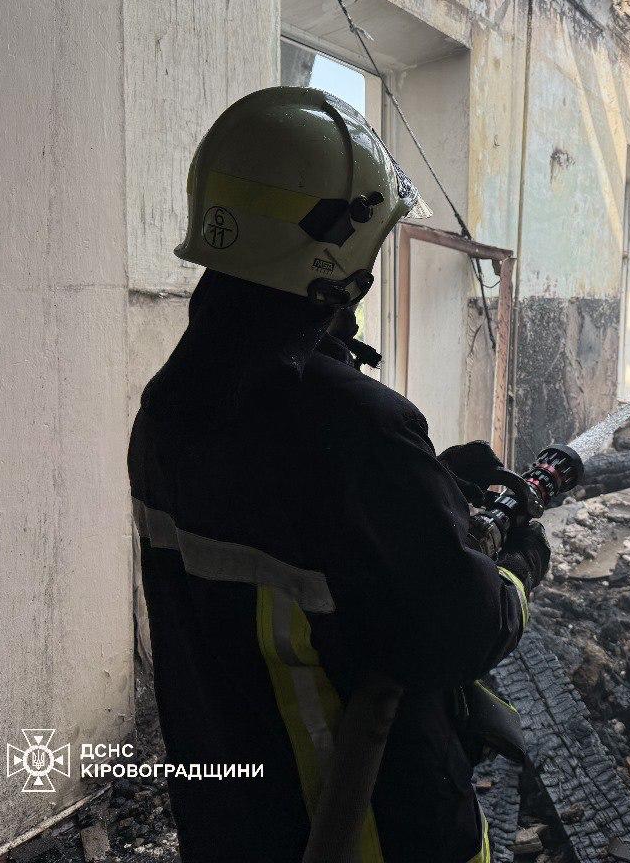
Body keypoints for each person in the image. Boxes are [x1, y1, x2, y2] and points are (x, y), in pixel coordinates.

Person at [129, 86, 549, 863]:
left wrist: (427, 493)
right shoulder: (356, 429)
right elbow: (459, 631)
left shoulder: (168, 409)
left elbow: (304, 545)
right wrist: (516, 568)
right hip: (366, 829)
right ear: (337, 250)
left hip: (230, 823)